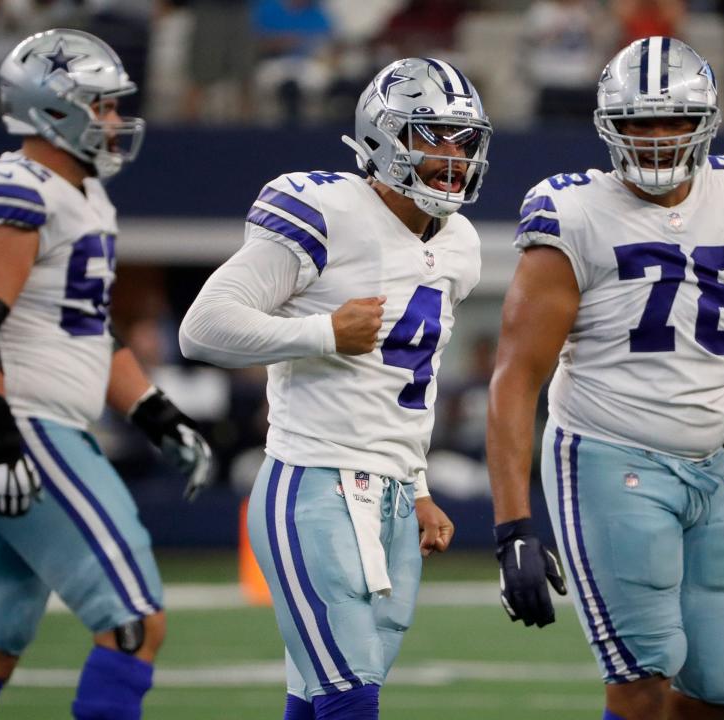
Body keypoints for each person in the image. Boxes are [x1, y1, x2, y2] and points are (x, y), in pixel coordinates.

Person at [486, 36, 724, 720]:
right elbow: (514, 378)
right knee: (643, 681)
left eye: (672, 119)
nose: (654, 138)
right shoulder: (573, 213)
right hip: (607, 455)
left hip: (709, 470)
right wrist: (513, 526)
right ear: (607, 127)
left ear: (704, 121)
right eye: (637, 122)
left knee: (719, 692)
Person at [179, 56, 492, 719]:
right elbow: (201, 329)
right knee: (352, 699)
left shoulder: (461, 242)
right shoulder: (324, 208)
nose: (452, 156)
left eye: (462, 140)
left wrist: (421, 482)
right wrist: (322, 333)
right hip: (313, 483)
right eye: (432, 135)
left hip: (397, 495)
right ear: (383, 138)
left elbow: (413, 380)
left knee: (321, 697)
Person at [0, 28, 213, 720]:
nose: (115, 120)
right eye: (102, 106)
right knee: (135, 621)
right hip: (20, 425)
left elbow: (85, 330)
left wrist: (156, 414)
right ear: (55, 108)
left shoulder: (80, 196)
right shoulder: (13, 186)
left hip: (21, 425)